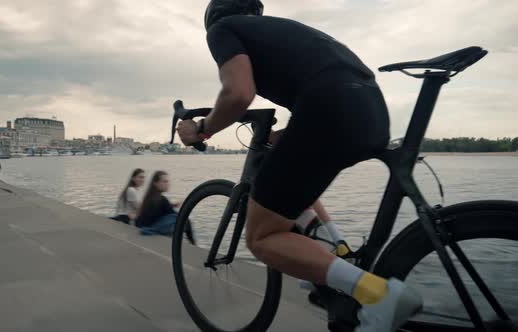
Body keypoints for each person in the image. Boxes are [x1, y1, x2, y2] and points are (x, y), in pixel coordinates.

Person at [176, 1, 422, 331]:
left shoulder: (223, 30)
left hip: (329, 105)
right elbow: (323, 85)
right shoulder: (286, 32)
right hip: (370, 109)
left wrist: (202, 129)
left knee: (262, 236)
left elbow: (237, 94)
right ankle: (336, 251)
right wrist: (283, 136)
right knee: (288, 171)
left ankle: (377, 295)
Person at [135, 171, 180, 235]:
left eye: (167, 181)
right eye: (165, 181)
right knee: (180, 218)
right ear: (155, 183)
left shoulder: (149, 197)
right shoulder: (162, 199)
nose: (168, 184)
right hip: (152, 230)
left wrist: (171, 205)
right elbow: (177, 216)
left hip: (142, 227)